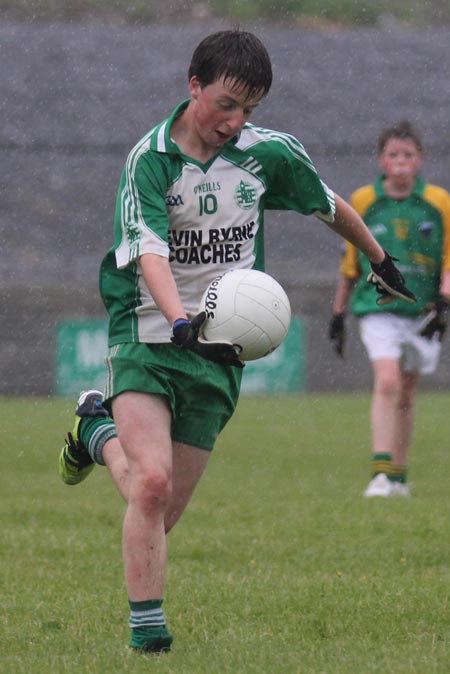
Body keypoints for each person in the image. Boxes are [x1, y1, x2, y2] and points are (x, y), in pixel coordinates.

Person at [58, 31, 415, 653]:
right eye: (226, 103)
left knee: (161, 516)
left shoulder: (265, 154)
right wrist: (178, 325)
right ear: (193, 85)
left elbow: (328, 205)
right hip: (148, 332)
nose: (235, 121)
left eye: (249, 109)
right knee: (150, 486)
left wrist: (380, 261)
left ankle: (96, 431)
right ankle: (149, 638)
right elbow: (147, 252)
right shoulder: (150, 160)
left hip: (221, 348)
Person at [329, 120, 450, 498]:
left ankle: (398, 475)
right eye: (393, 154)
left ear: (420, 160)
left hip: (422, 311)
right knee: (387, 381)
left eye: (408, 155)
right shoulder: (364, 199)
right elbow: (351, 263)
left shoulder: (439, 201)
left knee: (408, 391)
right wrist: (338, 313)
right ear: (382, 160)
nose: (401, 161)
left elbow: (448, 259)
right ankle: (380, 473)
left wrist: (444, 302)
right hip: (377, 306)